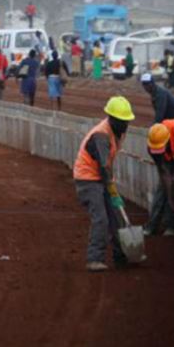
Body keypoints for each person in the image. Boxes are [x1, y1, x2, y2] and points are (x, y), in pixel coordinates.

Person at [73, 96, 135, 272]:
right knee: (101, 218)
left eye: (127, 121)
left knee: (116, 217)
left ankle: (121, 256)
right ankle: (94, 258)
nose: (126, 125)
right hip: (88, 180)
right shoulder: (101, 135)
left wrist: (111, 189)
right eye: (123, 122)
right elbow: (104, 165)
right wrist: (112, 188)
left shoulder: (117, 132)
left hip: (101, 177)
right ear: (112, 119)